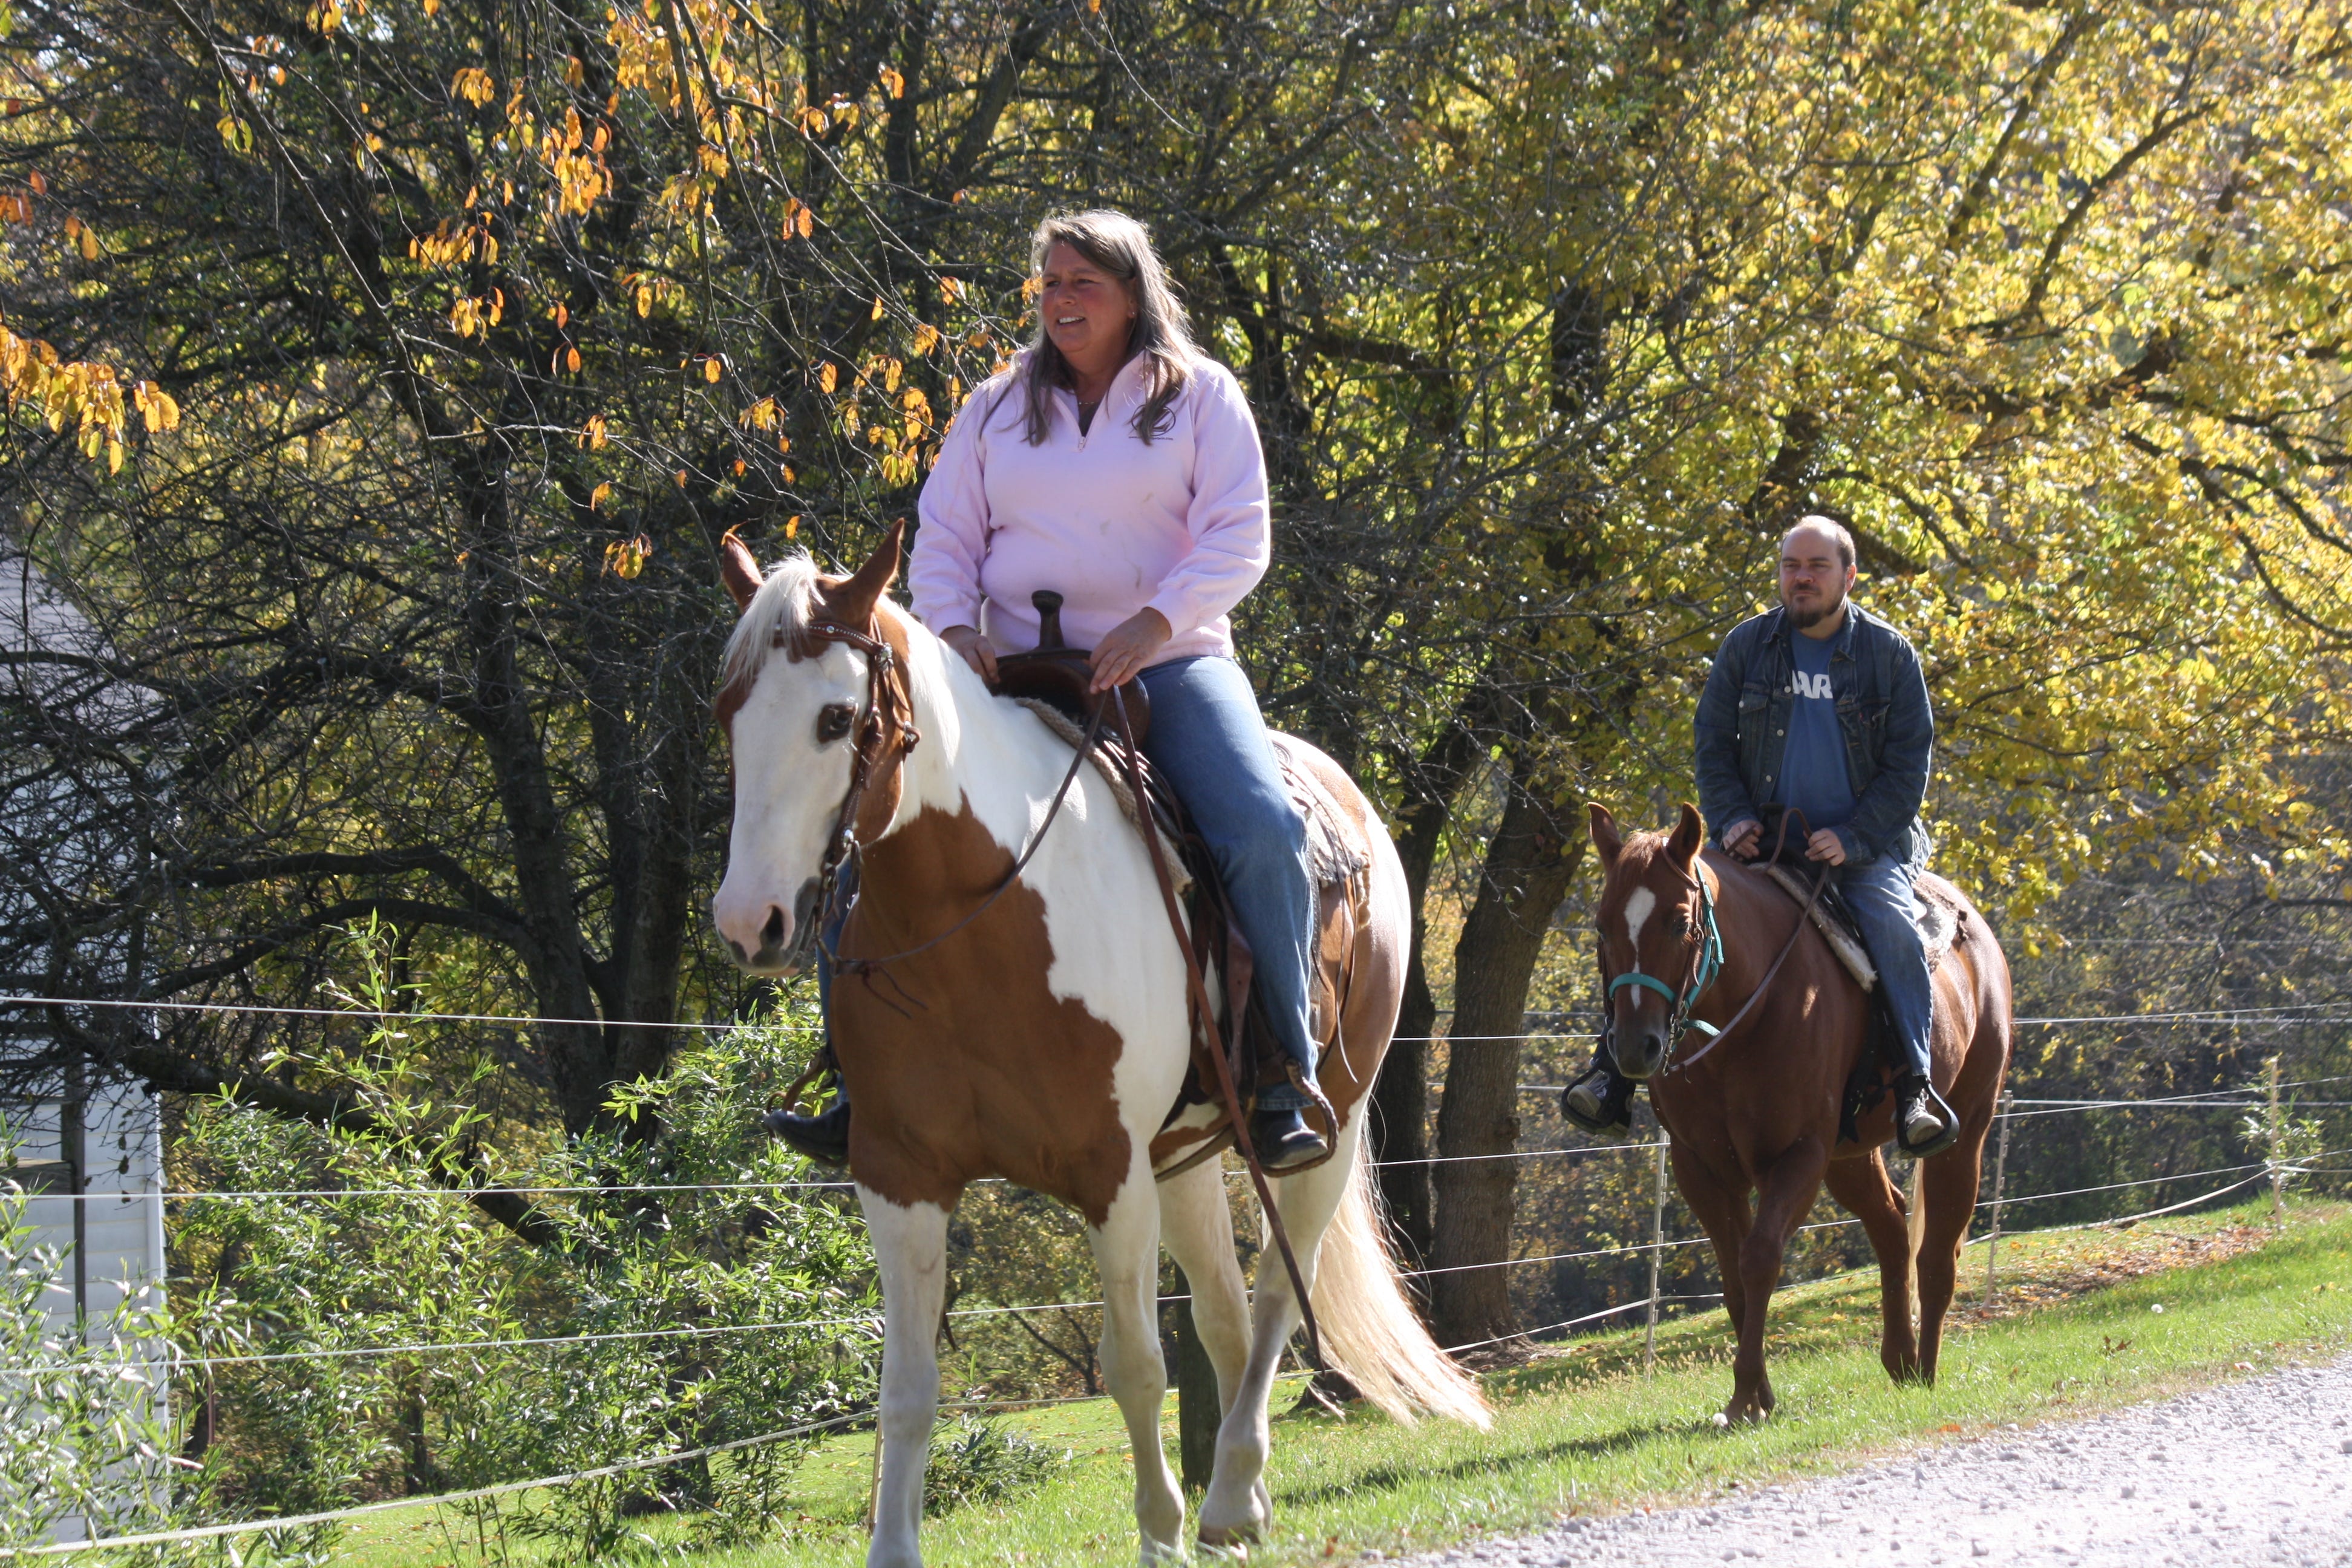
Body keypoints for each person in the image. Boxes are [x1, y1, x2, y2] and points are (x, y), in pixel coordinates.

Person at [762, 208, 1329, 1172]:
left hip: (1169, 663)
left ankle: (1282, 1069)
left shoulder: (1202, 398)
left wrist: (1155, 621)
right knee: (870, 816)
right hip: (1008, 668)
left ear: (1132, 295)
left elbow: (1241, 535)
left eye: (1084, 284)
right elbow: (943, 537)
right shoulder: (994, 407)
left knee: (1262, 828)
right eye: (1051, 284)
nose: (1062, 301)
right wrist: (953, 634)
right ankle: (856, 1077)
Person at [1563, 516, 1950, 1154]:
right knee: (1656, 916)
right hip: (1756, 842)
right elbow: (1713, 745)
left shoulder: (1889, 655)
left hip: (1861, 849)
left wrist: (1853, 838)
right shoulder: (1747, 646)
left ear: (1848, 577)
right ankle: (1613, 1073)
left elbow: (1910, 767)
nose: (1801, 578)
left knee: (1893, 929)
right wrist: (1734, 815)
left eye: (1817, 567)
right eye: (1791, 566)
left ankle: (1914, 1086)